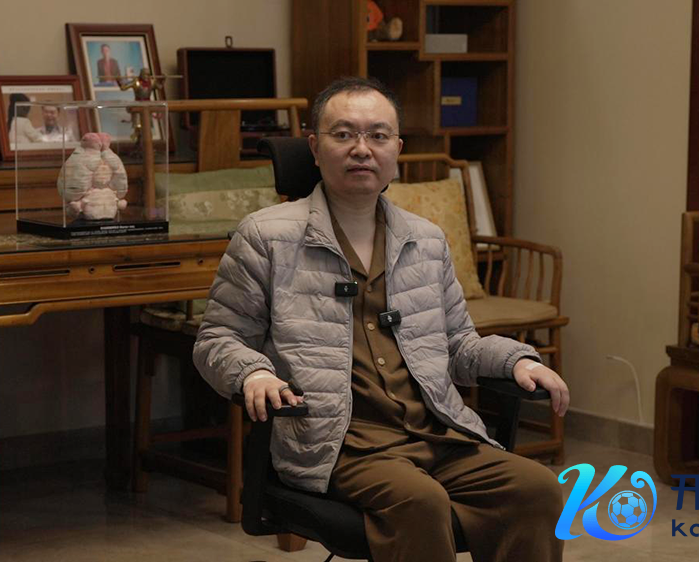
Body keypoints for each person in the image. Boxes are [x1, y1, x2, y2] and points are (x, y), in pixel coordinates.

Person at [193, 76, 568, 562]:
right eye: (343, 134)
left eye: (378, 135)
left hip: (436, 433)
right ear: (314, 147)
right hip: (339, 443)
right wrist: (254, 373)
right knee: (419, 502)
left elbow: (458, 344)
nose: (362, 149)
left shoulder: (425, 240)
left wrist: (518, 361)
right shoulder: (266, 236)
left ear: (397, 150)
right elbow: (217, 339)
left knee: (536, 489)